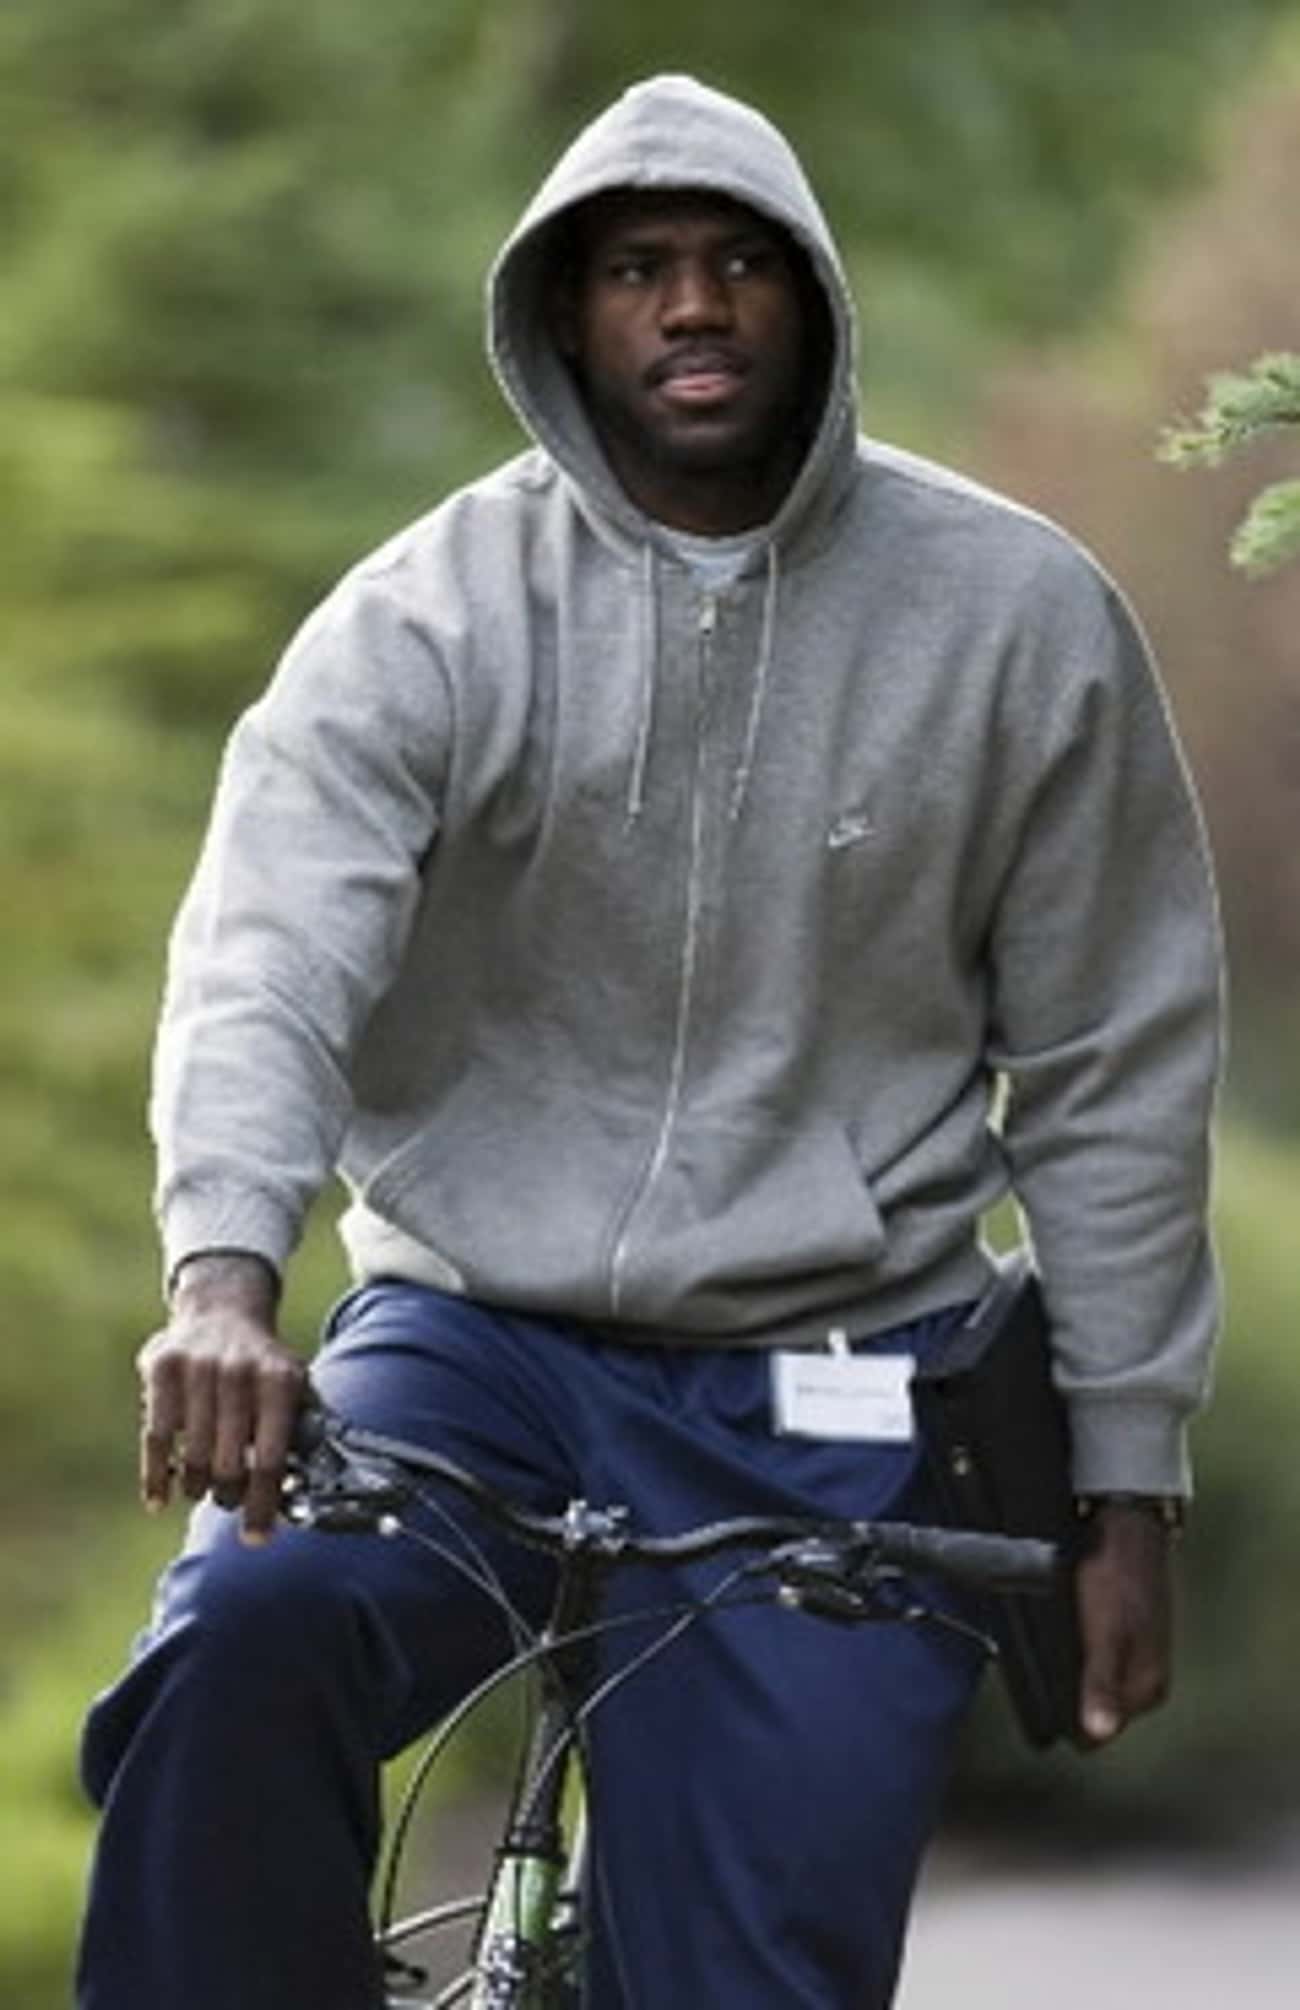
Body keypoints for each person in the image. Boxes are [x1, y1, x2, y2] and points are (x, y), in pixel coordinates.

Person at [77, 73, 1223, 2010]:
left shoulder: (1020, 623)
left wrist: (1124, 1483)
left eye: (733, 267)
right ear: (564, 318)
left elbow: (1112, 1062)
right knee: (238, 1646)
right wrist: (224, 1277)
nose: (689, 307)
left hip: (843, 1387)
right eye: (635, 271)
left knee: (752, 1973)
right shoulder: (424, 620)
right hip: (475, 1349)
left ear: (813, 306)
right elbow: (273, 954)